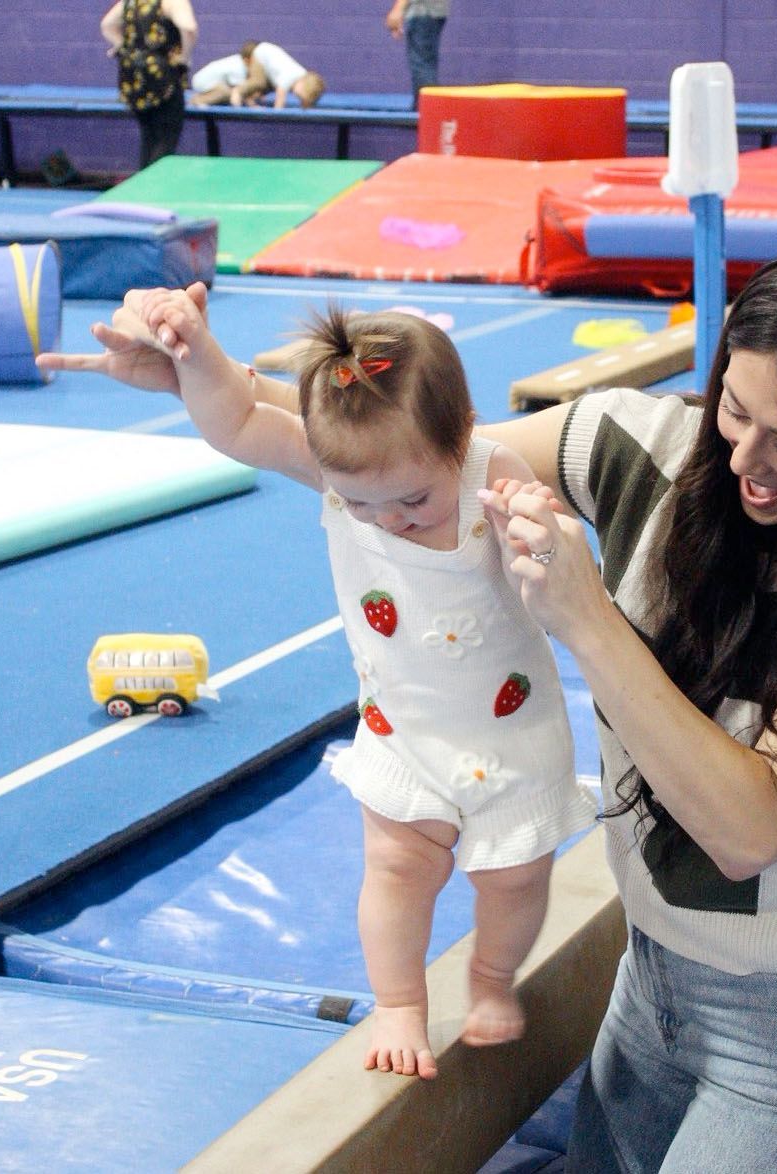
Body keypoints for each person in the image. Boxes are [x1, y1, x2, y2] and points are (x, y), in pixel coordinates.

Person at [37, 235, 777, 1171]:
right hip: (654, 981)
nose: (745, 461)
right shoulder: (639, 449)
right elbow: (405, 465)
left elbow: (748, 827)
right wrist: (201, 377)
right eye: (736, 411)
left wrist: (588, 619)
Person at [121, 289, 596, 1079]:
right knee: (397, 868)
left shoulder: (497, 472)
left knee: (514, 877)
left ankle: (489, 978)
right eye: (361, 503)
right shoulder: (343, 476)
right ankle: (400, 1000)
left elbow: (552, 581)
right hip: (403, 729)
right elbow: (235, 421)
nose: (389, 520)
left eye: (412, 498)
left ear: (463, 437)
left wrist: (537, 536)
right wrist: (195, 352)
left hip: (509, 729)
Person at [101, 0, 196, 167]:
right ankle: (154, 188)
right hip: (162, 75)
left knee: (148, 135)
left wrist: (122, 45)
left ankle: (142, 184)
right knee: (165, 137)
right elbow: (189, 29)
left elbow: (107, 25)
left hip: (132, 76)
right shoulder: (173, 2)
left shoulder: (131, 2)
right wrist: (184, 57)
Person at [384, 0, 448, 108]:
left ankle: (428, 111)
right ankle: (427, 109)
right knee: (426, 64)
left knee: (422, 65)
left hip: (423, 12)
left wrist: (398, 8)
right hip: (433, 11)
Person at [230, 40, 326, 109]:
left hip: (270, 72)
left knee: (263, 89)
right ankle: (237, 91)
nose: (298, 97)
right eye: (300, 96)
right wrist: (277, 111)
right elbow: (280, 93)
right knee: (258, 82)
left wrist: (305, 104)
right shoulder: (292, 75)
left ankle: (250, 100)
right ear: (303, 84)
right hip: (261, 55)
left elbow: (307, 95)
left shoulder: (303, 76)